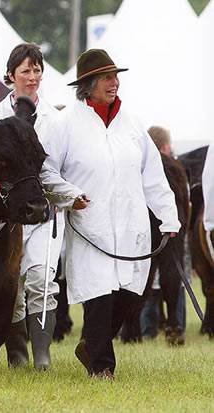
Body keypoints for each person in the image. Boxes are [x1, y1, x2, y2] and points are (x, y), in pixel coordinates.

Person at [41, 49, 180, 379]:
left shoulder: (131, 122)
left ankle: (90, 344)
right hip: (92, 224)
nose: (114, 83)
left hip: (132, 224)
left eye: (115, 77)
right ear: (88, 85)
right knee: (99, 294)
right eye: (107, 77)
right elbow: (45, 172)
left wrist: (169, 217)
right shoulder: (64, 125)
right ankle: (102, 366)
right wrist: (70, 196)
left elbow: (153, 174)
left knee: (131, 294)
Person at [0, 43, 63, 370]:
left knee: (42, 279)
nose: (32, 77)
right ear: (11, 75)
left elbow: (58, 168)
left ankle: (42, 356)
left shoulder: (56, 120)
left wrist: (70, 194)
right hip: (7, 218)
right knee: (11, 285)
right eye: (25, 71)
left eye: (37, 70)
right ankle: (16, 353)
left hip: (44, 212)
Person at [140, 126, 187, 340]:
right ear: (166, 146)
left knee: (143, 276)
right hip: (172, 226)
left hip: (146, 226)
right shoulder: (176, 168)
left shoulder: (141, 167)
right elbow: (184, 203)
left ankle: (136, 329)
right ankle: (174, 325)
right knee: (172, 274)